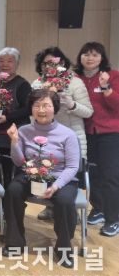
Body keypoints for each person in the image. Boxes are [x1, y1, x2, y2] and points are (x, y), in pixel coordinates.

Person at [3, 90, 80, 267]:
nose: (41, 110)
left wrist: (56, 186)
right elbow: (19, 162)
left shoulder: (68, 134)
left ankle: (63, 247)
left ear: (55, 108)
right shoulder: (24, 131)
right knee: (13, 191)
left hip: (60, 178)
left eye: (46, 105)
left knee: (65, 201)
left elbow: (72, 167)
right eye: (36, 105)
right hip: (31, 174)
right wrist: (14, 141)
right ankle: (15, 242)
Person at [31, 46, 93, 221]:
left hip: (72, 136)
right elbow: (32, 111)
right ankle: (51, 207)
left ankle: (70, 211)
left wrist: (72, 104)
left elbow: (88, 112)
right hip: (46, 137)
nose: (49, 66)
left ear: (62, 63)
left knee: (71, 174)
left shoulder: (74, 82)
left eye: (53, 62)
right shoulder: (37, 84)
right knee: (46, 169)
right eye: (45, 63)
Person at [75, 41, 119, 237]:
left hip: (110, 133)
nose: (90, 58)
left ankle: (113, 218)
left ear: (102, 58)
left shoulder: (113, 76)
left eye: (95, 54)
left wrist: (106, 87)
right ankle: (99, 208)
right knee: (92, 174)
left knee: (110, 176)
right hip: (86, 133)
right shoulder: (76, 79)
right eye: (86, 54)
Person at [0, 47, 32, 197]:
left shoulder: (22, 84)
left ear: (17, 64)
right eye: (1, 61)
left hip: (12, 134)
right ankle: (0, 201)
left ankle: (9, 202)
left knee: (9, 170)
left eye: (9, 61)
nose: (5, 64)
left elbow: (28, 109)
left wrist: (8, 117)